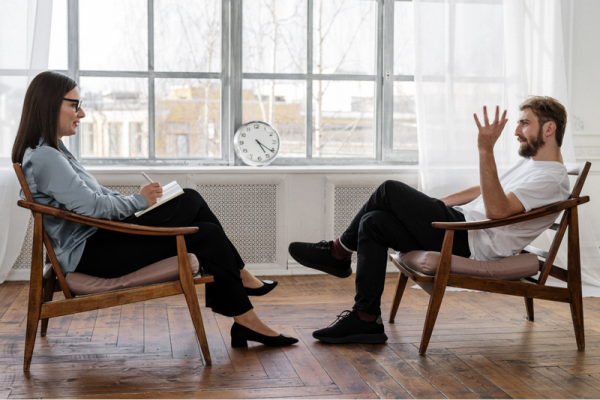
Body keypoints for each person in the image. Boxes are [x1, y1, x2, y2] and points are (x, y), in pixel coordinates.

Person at [12, 71, 298, 348]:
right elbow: (93, 207)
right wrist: (140, 202)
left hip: (97, 243)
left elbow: (95, 196)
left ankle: (245, 314)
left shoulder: (54, 151)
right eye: (75, 106)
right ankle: (243, 292)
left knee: (197, 212)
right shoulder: (47, 157)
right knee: (196, 211)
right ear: (50, 105)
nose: (82, 114)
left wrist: (141, 201)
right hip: (92, 254)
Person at [289, 97, 570, 344]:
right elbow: (485, 190)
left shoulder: (550, 179)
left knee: (389, 189)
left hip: (470, 241)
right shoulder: (533, 165)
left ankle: (338, 252)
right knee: (373, 221)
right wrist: (436, 205)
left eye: (524, 123)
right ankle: (366, 318)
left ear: (549, 128)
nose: (517, 131)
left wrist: (485, 150)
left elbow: (497, 210)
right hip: (461, 225)